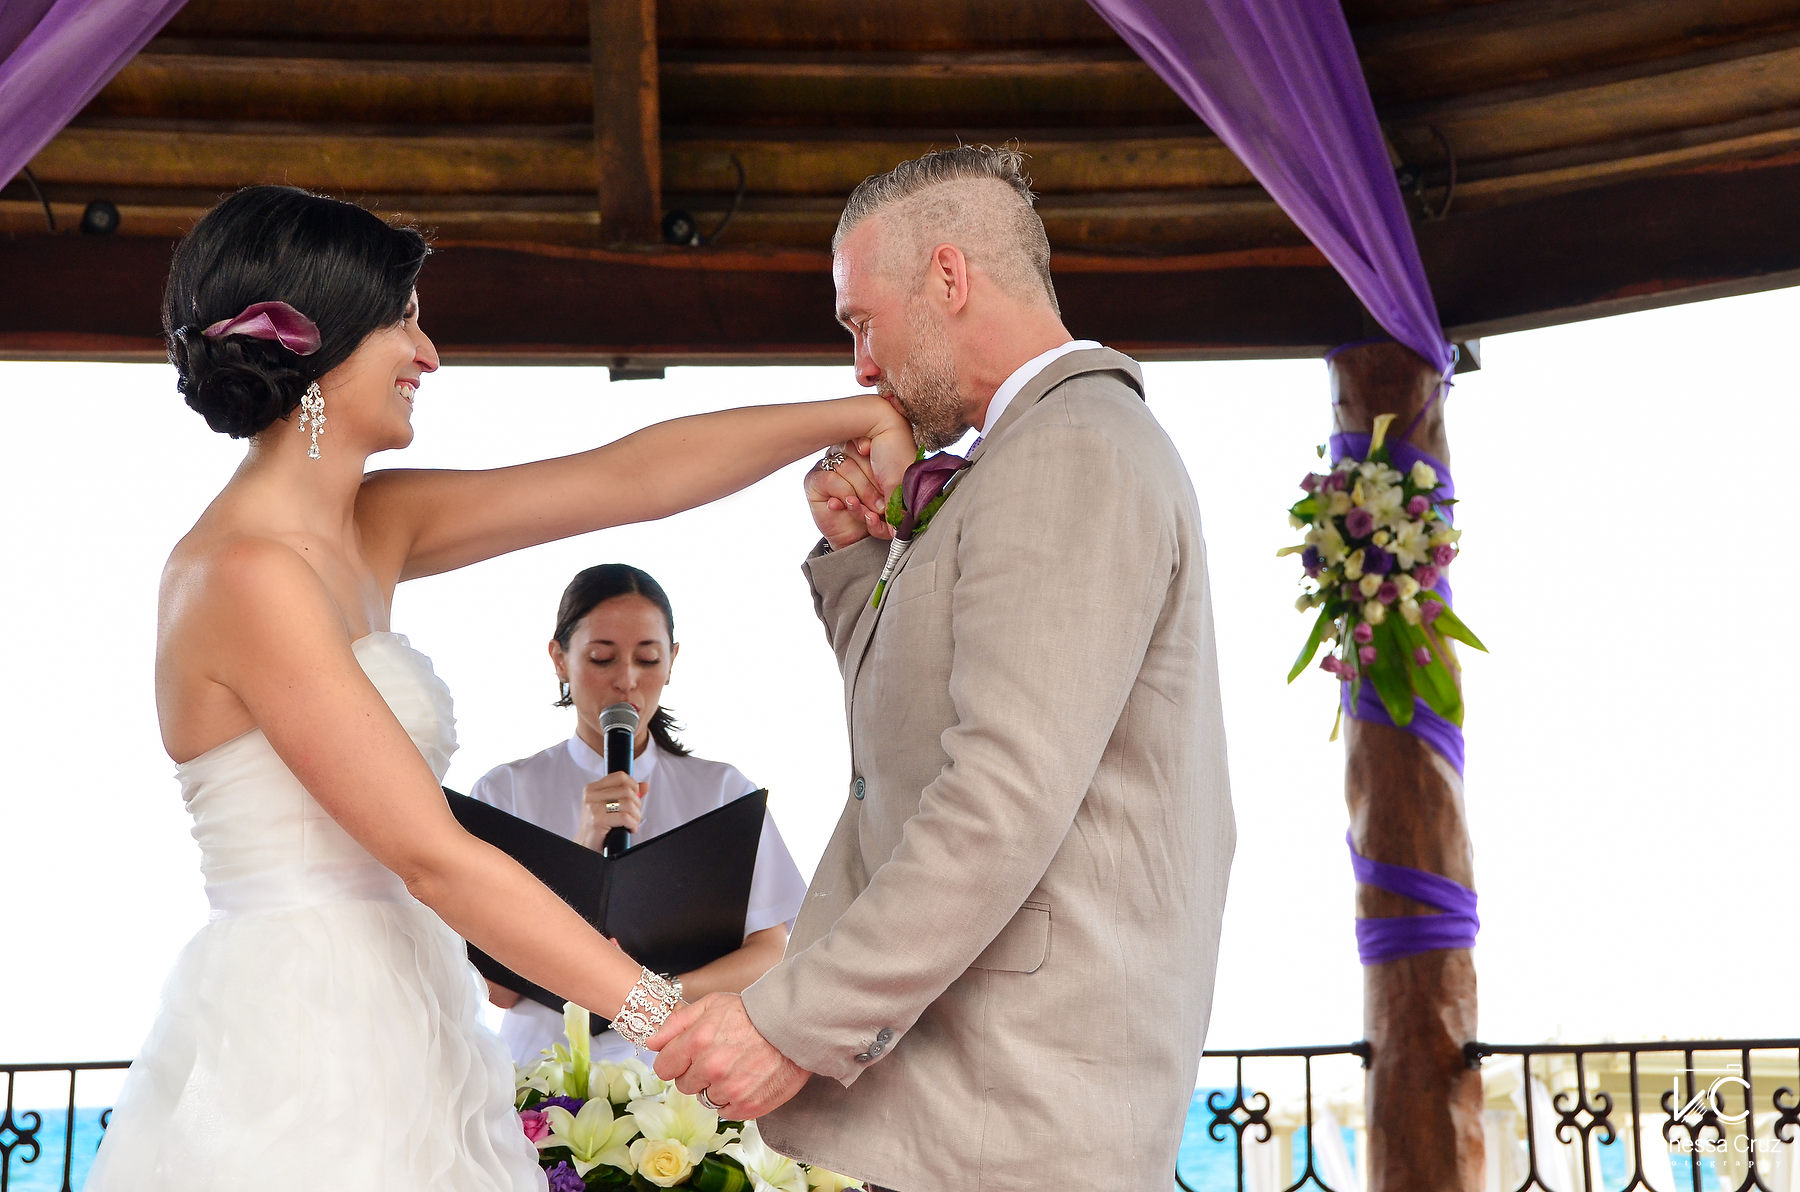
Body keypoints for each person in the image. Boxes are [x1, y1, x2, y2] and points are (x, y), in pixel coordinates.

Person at [85, 184, 910, 1191]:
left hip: (410, 1006)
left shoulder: (371, 525)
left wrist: (865, 410)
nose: (430, 356)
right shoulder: (242, 573)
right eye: (405, 321)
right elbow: (435, 858)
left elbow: (626, 479)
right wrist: (670, 1019)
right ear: (317, 344)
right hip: (303, 1041)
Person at [648, 146, 1237, 1190]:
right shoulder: (1020, 458)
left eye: (861, 322)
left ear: (950, 278)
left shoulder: (1073, 449)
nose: (862, 369)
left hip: (1023, 1106)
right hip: (978, 1102)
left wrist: (794, 1020)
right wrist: (861, 564)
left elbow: (998, 798)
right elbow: (907, 752)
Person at [471, 563, 806, 1067]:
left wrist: (647, 998)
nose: (627, 680)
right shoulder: (504, 792)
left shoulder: (721, 790)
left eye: (647, 658)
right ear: (559, 659)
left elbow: (771, 951)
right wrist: (583, 847)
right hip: (544, 1074)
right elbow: (496, 987)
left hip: (681, 1071)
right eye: (602, 658)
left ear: (672, 660)